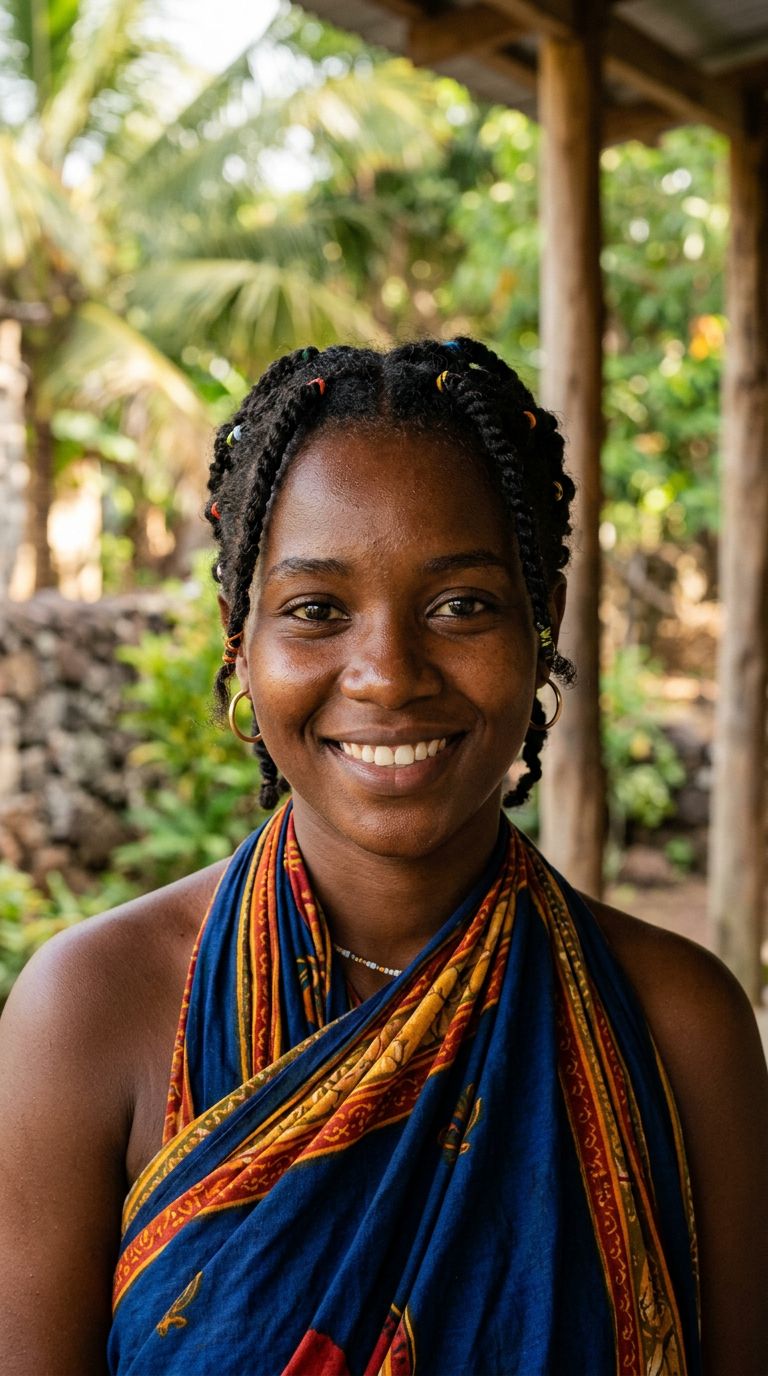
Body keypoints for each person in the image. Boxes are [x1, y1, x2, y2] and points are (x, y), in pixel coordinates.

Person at [0, 338, 766, 1376]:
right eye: (317, 609)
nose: (387, 673)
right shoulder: (90, 1015)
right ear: (240, 643)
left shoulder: (682, 1026)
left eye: (461, 605)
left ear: (540, 636)